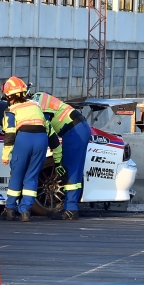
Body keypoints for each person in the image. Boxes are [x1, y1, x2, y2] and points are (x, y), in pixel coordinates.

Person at [0, 78, 61, 222]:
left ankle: (10, 210)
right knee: (32, 176)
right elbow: (50, 131)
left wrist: (5, 155)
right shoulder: (36, 106)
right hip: (41, 140)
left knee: (17, 175)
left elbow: (9, 134)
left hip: (24, 139)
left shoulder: (11, 110)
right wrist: (57, 153)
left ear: (9, 96)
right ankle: (25, 211)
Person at [30, 91, 89, 220]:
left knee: (70, 170)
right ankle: (70, 206)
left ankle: (70, 209)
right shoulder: (41, 97)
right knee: (75, 170)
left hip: (73, 131)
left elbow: (44, 129)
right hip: (78, 128)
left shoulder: (36, 104)